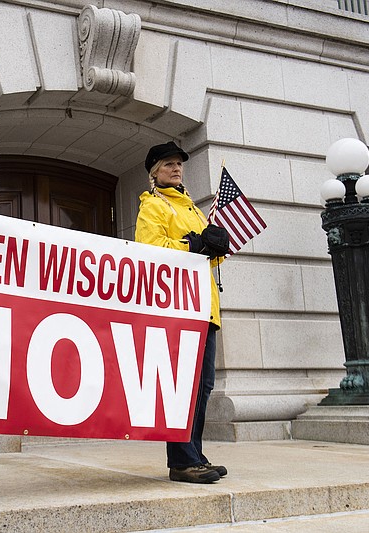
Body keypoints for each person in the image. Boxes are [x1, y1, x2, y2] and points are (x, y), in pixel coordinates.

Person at [134, 141, 230, 484]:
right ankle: (182, 460)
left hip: (206, 307)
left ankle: (194, 454)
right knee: (183, 386)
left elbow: (207, 256)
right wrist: (194, 244)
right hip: (178, 308)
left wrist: (216, 245)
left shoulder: (192, 208)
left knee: (203, 385)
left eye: (179, 164)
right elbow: (151, 251)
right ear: (154, 172)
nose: (176, 168)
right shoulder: (153, 207)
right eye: (168, 164)